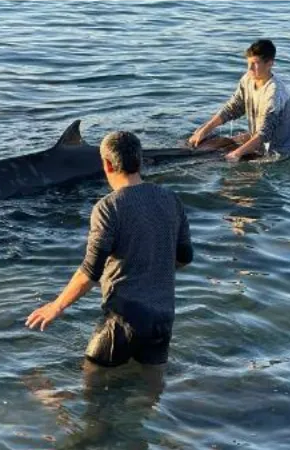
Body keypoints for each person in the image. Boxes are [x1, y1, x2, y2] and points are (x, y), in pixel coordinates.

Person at [25, 131, 193, 371]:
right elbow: (185, 257)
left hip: (123, 320)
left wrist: (56, 306)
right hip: (163, 319)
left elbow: (91, 271)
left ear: (106, 164)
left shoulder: (108, 207)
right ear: (140, 160)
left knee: (90, 396)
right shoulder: (170, 198)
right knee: (151, 394)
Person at [188, 39, 290, 162]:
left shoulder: (274, 93)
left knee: (228, 171)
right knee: (205, 144)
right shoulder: (248, 79)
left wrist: (236, 154)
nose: (250, 68)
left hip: (282, 151)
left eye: (255, 63)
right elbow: (233, 107)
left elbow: (265, 134)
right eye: (248, 63)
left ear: (270, 64)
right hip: (260, 139)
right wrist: (205, 129)